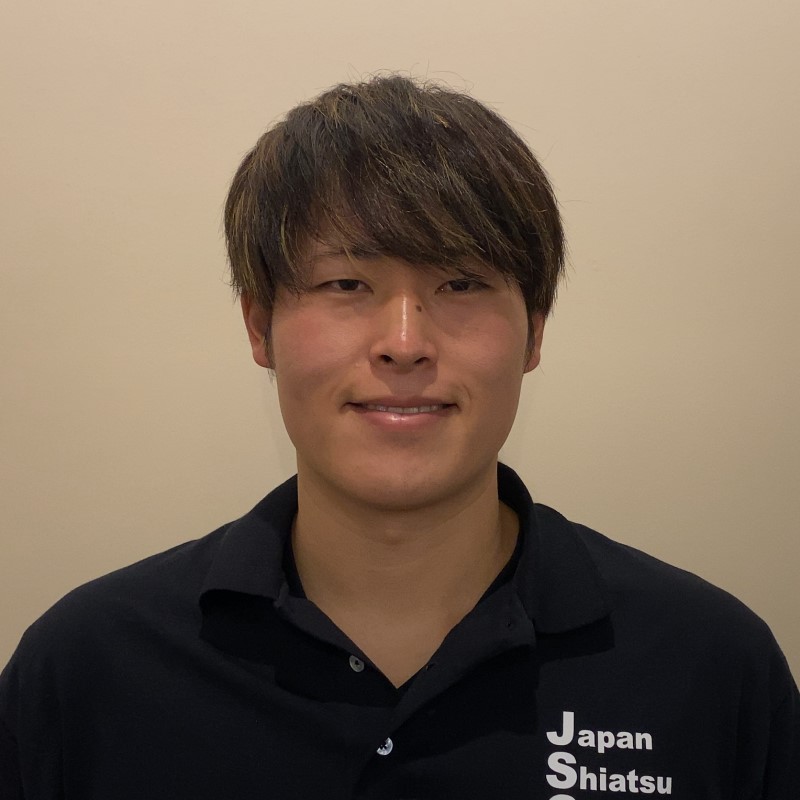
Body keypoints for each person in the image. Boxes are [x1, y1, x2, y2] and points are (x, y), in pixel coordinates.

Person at [1, 75, 797, 799]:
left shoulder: (711, 665)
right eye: (346, 283)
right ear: (259, 325)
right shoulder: (88, 667)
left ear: (534, 332)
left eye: (462, 282)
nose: (405, 343)